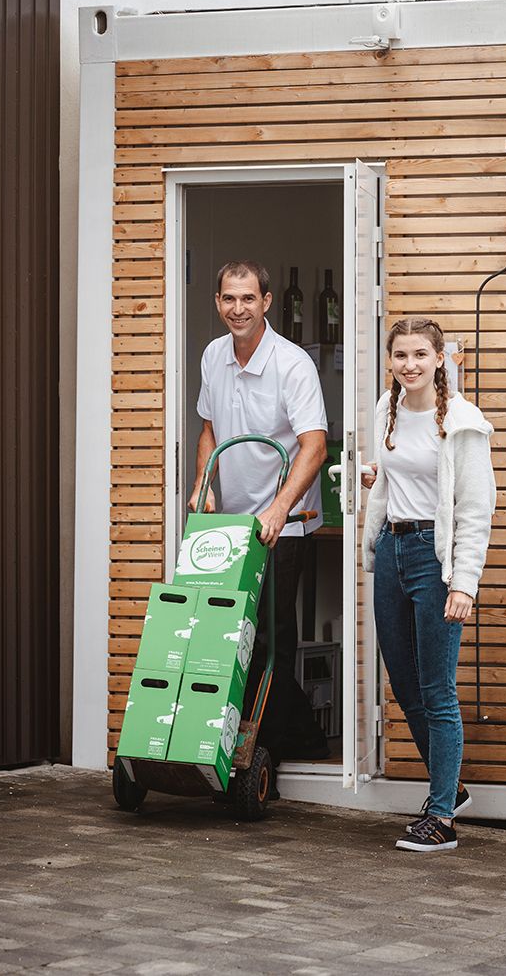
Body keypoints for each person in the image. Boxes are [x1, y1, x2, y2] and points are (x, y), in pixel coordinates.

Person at [362, 316, 495, 852]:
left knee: (437, 689)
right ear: (390, 361)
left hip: (433, 560)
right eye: (400, 356)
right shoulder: (385, 409)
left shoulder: (462, 423)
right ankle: (451, 787)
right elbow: (398, 476)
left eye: (420, 354)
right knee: (405, 684)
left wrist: (464, 582)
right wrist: (377, 477)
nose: (409, 365)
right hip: (392, 551)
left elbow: (475, 508)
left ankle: (441, 817)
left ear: (441, 359)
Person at [190, 260, 331, 762]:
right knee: (232, 633)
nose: (238, 308)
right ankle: (287, 737)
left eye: (248, 299)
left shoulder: (292, 363)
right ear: (218, 303)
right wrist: (204, 484)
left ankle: (266, 747)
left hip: (285, 525)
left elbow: (315, 446)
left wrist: (278, 509)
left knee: (272, 636)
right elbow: (208, 428)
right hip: (230, 524)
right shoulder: (213, 355)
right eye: (229, 298)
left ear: (267, 302)